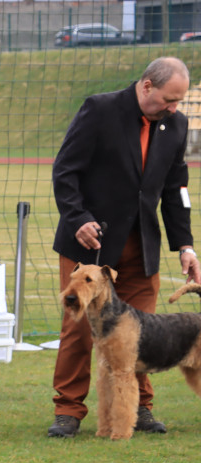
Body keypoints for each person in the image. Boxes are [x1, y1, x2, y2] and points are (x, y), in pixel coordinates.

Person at [48, 56, 201, 438]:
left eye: (179, 101)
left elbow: (175, 189)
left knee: (144, 331)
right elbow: (65, 170)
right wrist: (78, 217)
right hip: (91, 243)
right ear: (147, 85)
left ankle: (141, 410)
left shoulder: (176, 124)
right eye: (169, 99)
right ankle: (68, 411)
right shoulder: (99, 109)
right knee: (79, 330)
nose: (174, 108)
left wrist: (185, 245)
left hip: (142, 246)